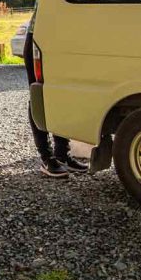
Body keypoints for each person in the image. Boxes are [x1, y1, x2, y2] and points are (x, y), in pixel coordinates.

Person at [22, 23, 87, 178]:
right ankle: (46, 157)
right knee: (38, 97)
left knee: (62, 96)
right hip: (38, 38)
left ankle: (62, 153)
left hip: (59, 38)